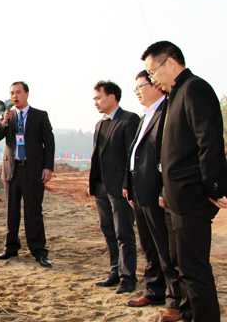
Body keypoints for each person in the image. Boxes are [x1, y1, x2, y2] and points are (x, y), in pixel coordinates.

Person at [142, 41, 227, 322]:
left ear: (170, 62)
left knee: (194, 269)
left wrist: (214, 187)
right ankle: (189, 314)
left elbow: (209, 142)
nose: (152, 78)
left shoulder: (194, 89)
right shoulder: (173, 95)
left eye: (153, 71)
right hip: (174, 196)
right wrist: (165, 190)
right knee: (180, 266)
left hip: (192, 196)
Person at [125, 71, 180, 321]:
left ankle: (175, 300)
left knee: (166, 249)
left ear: (156, 85)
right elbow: (135, 154)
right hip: (139, 191)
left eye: (141, 86)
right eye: (135, 88)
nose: (137, 92)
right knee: (149, 246)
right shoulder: (145, 116)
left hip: (157, 192)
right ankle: (154, 290)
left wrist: (163, 190)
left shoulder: (167, 113)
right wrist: (128, 184)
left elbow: (168, 157)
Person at [0, 82, 55, 268]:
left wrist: (48, 167)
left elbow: (49, 143)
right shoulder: (8, 116)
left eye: (18, 92)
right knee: (11, 211)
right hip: (12, 170)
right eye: (12, 93)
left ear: (26, 94)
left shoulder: (40, 116)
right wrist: (4, 121)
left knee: (33, 211)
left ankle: (39, 251)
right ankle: (11, 248)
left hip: (33, 170)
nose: (15, 96)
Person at [89, 80, 140, 294]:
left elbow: (132, 156)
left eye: (98, 98)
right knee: (108, 230)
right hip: (100, 187)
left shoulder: (129, 120)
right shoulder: (99, 124)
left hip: (120, 188)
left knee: (123, 233)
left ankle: (128, 278)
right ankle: (115, 271)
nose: (95, 102)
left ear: (112, 97)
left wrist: (128, 184)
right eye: (94, 99)